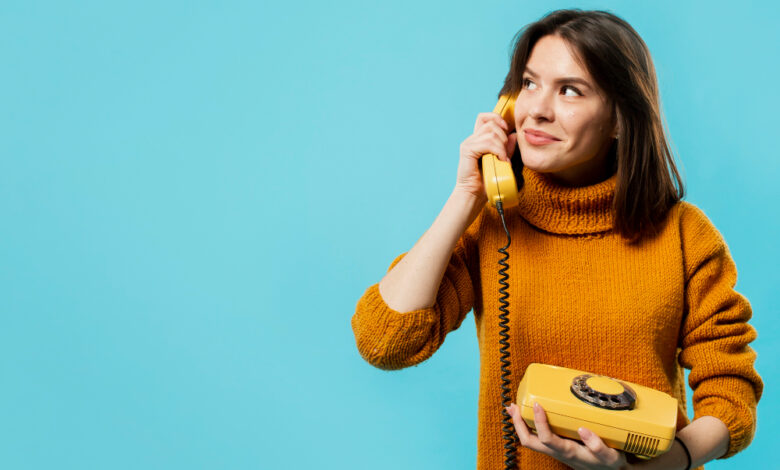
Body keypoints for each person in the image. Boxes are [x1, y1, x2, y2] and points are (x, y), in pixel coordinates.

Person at [351, 9, 762, 470]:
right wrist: (466, 197)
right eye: (528, 84)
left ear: (621, 119)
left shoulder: (685, 234)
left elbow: (731, 392)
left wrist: (658, 467)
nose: (536, 110)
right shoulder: (493, 223)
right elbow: (383, 341)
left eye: (569, 90)